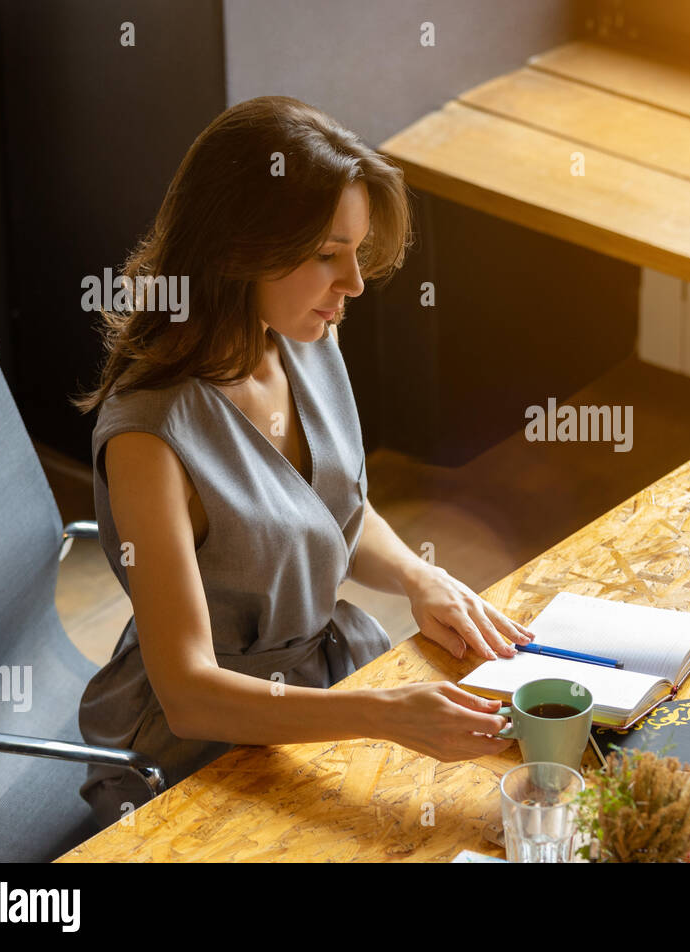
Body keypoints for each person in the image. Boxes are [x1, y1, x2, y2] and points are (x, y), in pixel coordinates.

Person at [72, 95, 529, 829]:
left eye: (356, 251)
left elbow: (329, 507)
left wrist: (420, 577)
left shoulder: (305, 336)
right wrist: (385, 714)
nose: (353, 284)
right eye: (326, 255)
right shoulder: (149, 437)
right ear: (237, 249)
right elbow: (189, 693)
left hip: (323, 688)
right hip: (195, 756)